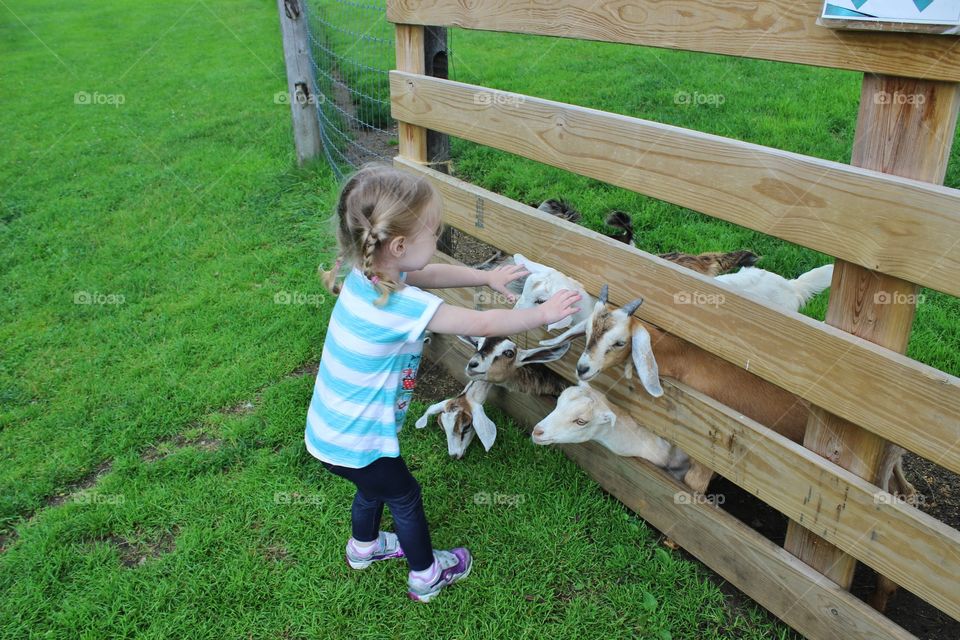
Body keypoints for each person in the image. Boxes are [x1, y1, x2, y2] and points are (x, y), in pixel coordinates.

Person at [308, 162, 580, 602]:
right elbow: (482, 320)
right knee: (405, 496)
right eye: (433, 232)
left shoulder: (370, 274)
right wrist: (543, 314)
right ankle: (427, 575)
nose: (436, 241)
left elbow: (429, 274)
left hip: (331, 432)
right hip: (358, 441)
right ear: (398, 244)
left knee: (371, 486)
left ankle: (364, 548)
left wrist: (485, 276)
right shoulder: (399, 308)